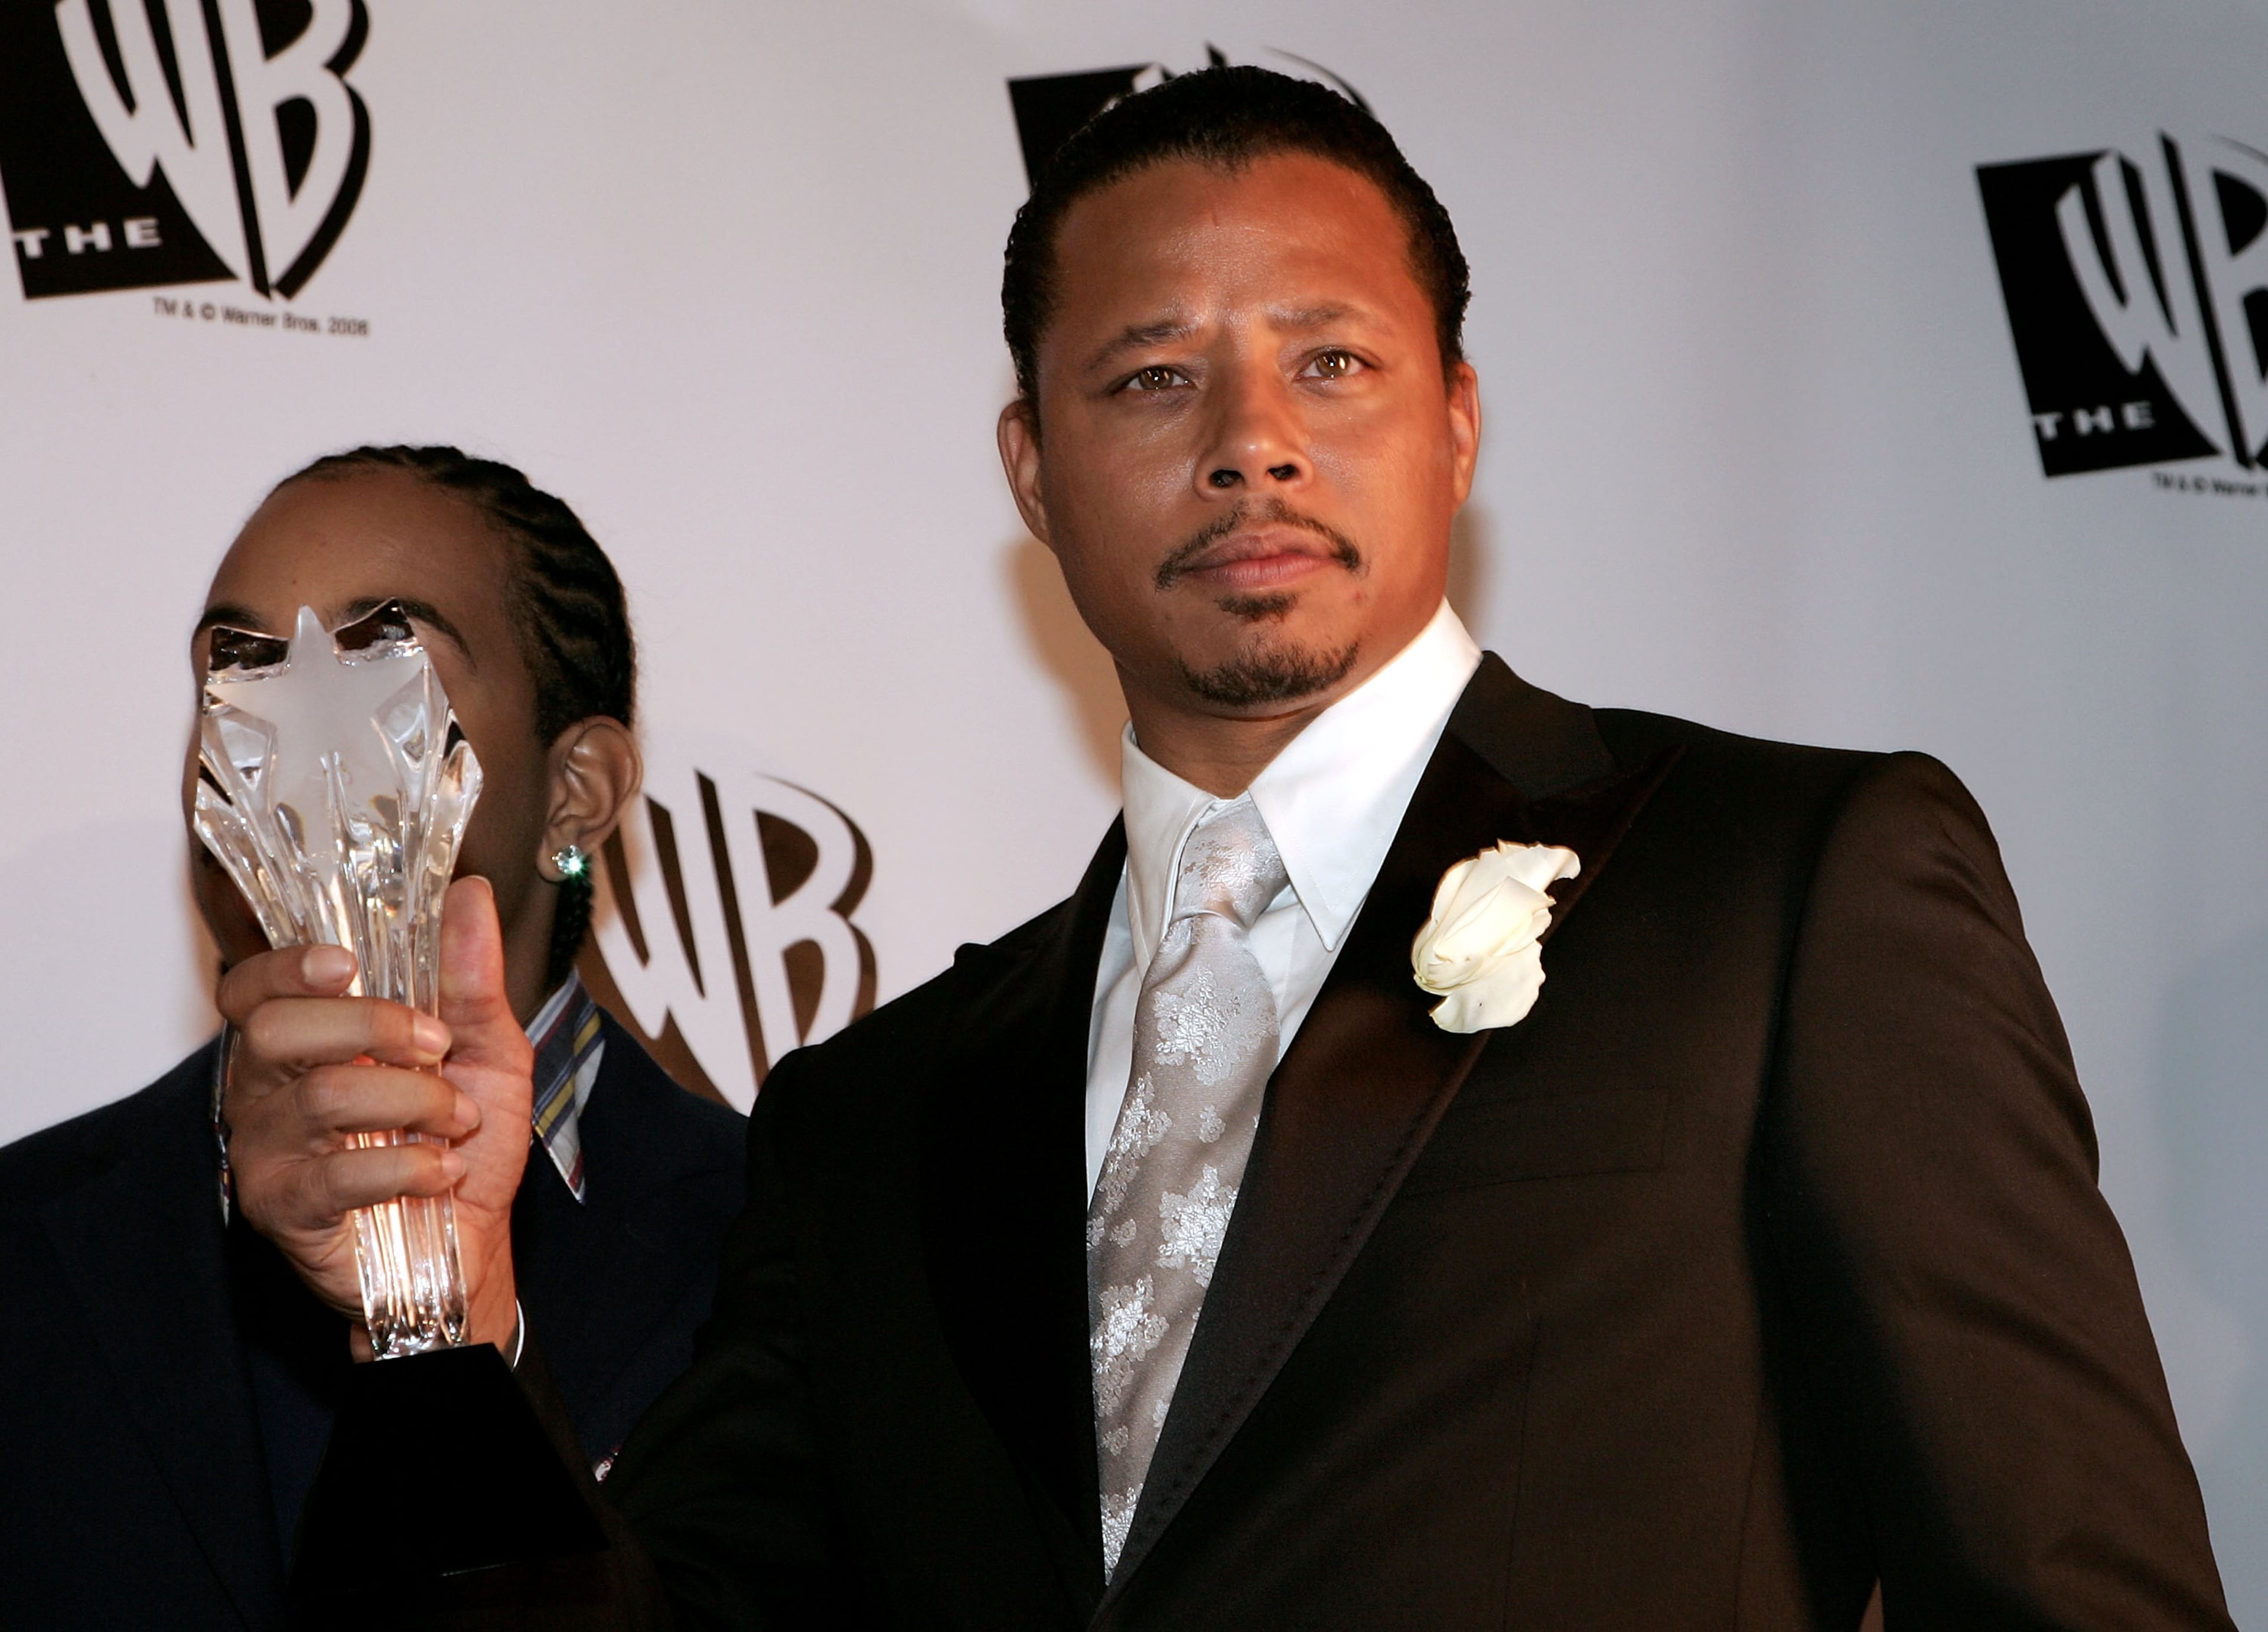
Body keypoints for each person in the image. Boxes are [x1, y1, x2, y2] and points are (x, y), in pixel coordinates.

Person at [256, 71, 2233, 1628]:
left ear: (1459, 423)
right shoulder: (875, 1120)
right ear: (1032, 466)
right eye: (1150, 378)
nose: (1251, 440)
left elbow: (2069, 1584)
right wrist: (439, 1298)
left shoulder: (1786, 888)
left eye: (1333, 362)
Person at [0, 446, 747, 1629]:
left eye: (380, 659)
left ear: (578, 789)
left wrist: (450, 1327)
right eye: (237, 668)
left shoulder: (783, 1241)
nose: (288, 732)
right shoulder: (25, 1240)